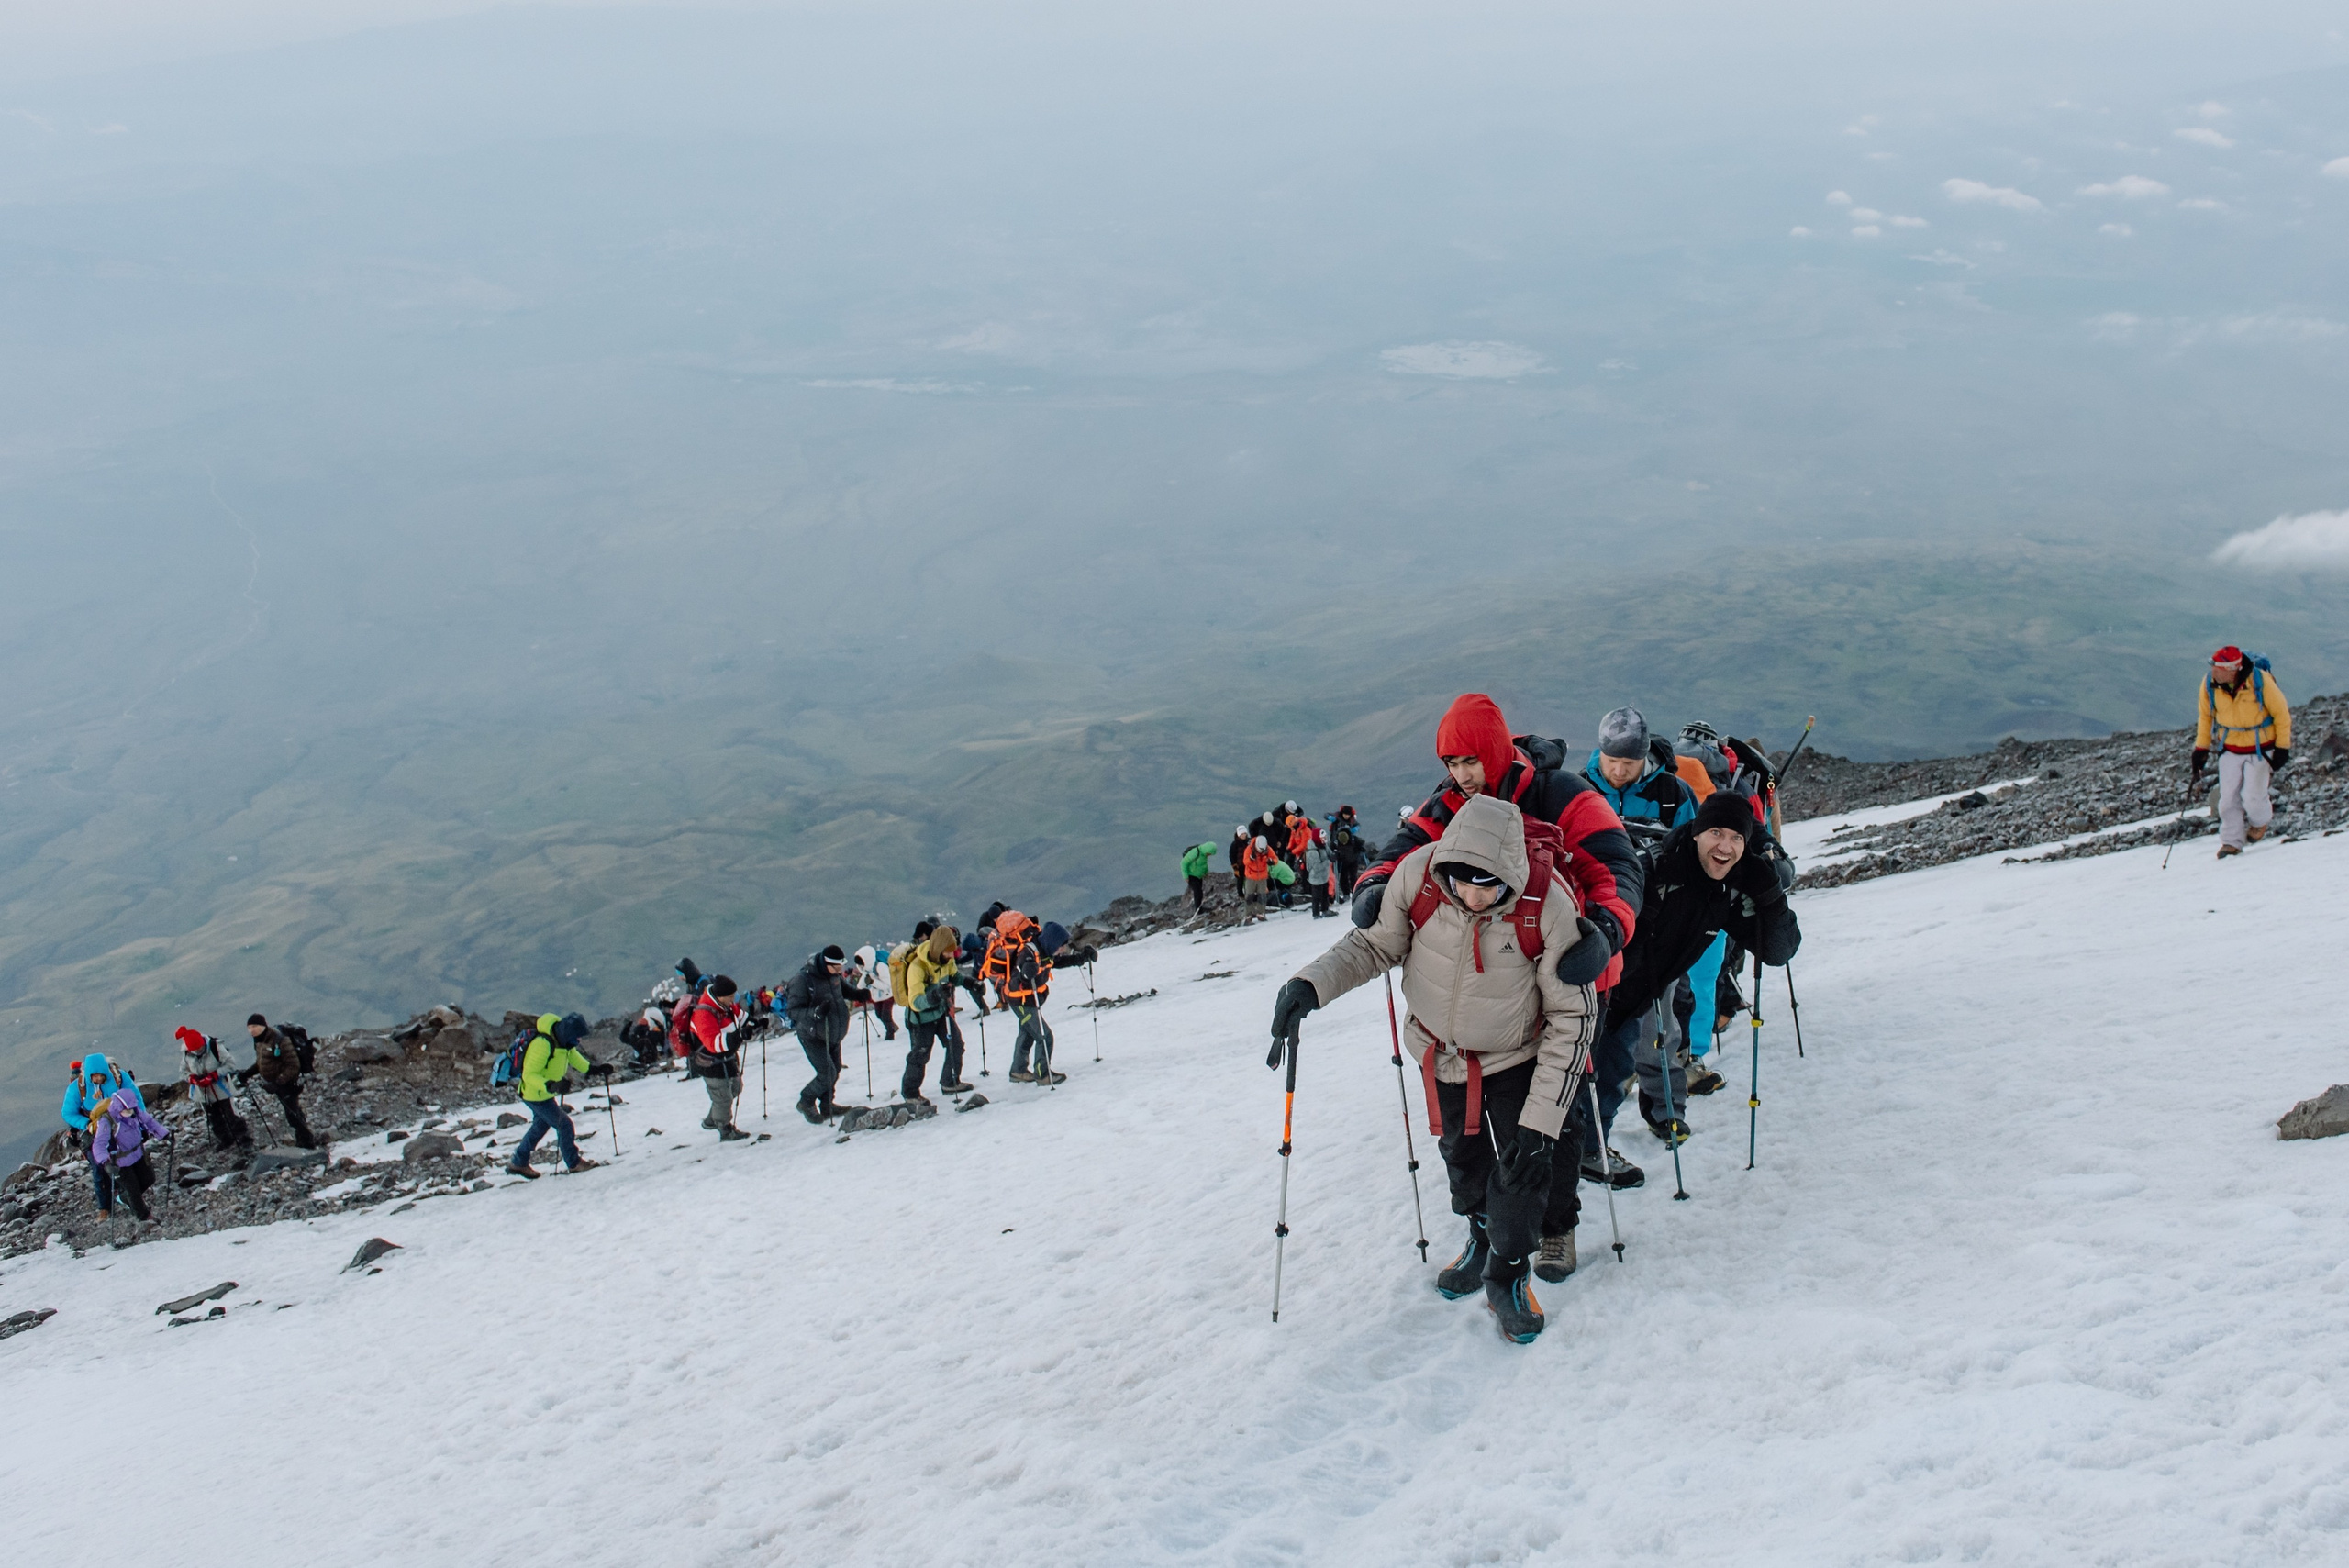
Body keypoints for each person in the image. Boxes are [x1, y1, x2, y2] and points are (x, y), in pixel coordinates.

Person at [1270, 795, 1598, 1343]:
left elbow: (1572, 1016)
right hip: (1440, 1051)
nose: (1472, 895)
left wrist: (1542, 1123)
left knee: (1522, 1169)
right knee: (1461, 1158)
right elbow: (1375, 946)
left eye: (1487, 885)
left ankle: (1507, 1275)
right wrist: (1309, 985)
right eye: (1462, 882)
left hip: (1519, 1054)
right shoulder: (1419, 879)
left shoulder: (1548, 905)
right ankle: (1480, 1234)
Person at [1354, 694, 1641, 994]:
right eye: (1451, 763)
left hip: (1574, 972)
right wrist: (1371, 886)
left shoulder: (1562, 794)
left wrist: (1607, 932)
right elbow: (1402, 849)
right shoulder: (1450, 803)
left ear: (1493, 750)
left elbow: (1618, 867)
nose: (1461, 775)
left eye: (1470, 761)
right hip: (1501, 987)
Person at [1586, 792, 1801, 1160]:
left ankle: (1647, 1123)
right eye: (1716, 832)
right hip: (1609, 983)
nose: (1726, 846)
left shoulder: (1732, 886)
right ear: (1698, 832)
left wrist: (1769, 894)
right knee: (1605, 1068)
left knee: (1657, 1045)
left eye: (1737, 837)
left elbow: (1777, 951)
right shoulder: (1656, 868)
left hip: (1656, 983)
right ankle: (1587, 1154)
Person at [1583, 706, 1718, 1134]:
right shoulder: (1580, 790)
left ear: (1645, 756)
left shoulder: (1674, 794)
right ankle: (1589, 1125)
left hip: (1656, 927)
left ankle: (1666, 1110)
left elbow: (1695, 857)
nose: (1619, 771)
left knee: (1659, 1024)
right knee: (1599, 1029)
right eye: (1612, 761)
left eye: (1629, 762)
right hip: (1597, 925)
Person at [2194, 645, 2291, 858]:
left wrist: (2282, 748)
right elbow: (2205, 717)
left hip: (2260, 749)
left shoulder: (2260, 681)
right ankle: (2231, 842)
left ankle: (2260, 822)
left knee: (2253, 797)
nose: (2214, 672)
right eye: (2213, 666)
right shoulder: (2210, 685)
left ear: (2234, 668)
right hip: (2229, 748)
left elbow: (2281, 714)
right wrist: (2200, 749)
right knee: (2227, 799)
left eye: (2220, 667)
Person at [507, 1012, 605, 1174]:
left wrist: (593, 1069)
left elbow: (574, 1057)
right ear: (569, 1033)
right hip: (534, 1094)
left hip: (543, 1093)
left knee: (540, 1125)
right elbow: (529, 1075)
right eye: (578, 1036)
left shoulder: (564, 1042)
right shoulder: (542, 1044)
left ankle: (518, 1162)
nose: (579, 1040)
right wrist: (551, 1085)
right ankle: (574, 1163)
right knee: (564, 1125)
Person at [983, 912, 1065, 1085]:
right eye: (1061, 946)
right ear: (1052, 942)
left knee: (1027, 1033)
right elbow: (1020, 971)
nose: (1062, 950)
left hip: (1027, 1000)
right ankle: (1043, 1075)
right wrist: (1026, 972)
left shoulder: (1043, 950)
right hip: (1020, 1001)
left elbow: (1057, 962)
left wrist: (1082, 958)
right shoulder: (1028, 952)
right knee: (1044, 1036)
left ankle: (1018, 1071)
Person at [901, 925, 979, 1101]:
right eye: (948, 952)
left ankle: (950, 1082)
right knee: (920, 1055)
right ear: (938, 950)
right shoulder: (918, 967)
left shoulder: (946, 960)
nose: (952, 956)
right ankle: (910, 1093)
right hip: (920, 1019)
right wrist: (935, 996)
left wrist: (971, 983)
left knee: (956, 1044)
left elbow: (955, 977)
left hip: (940, 1013)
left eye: (953, 951)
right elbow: (915, 1002)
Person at [61, 1053, 146, 1215]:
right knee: (98, 1166)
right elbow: (68, 1112)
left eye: (100, 1075)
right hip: (94, 1128)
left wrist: (141, 1122)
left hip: (122, 1123)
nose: (97, 1079)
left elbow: (136, 1099)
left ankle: (127, 1195)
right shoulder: (77, 1088)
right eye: (94, 1076)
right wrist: (85, 1124)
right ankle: (105, 1207)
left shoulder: (120, 1078)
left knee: (129, 1159)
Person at [785, 946, 855, 1122]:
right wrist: (814, 1013)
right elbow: (793, 1011)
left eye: (841, 967)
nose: (839, 971)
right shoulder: (802, 980)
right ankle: (806, 1101)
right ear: (825, 963)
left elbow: (843, 991)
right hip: (812, 1035)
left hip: (832, 1033)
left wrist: (859, 994)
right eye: (836, 967)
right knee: (827, 1073)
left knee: (835, 1069)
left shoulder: (833, 975)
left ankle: (827, 1105)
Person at [677, 978, 751, 1140]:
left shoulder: (724, 1005)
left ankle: (711, 1120)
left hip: (726, 1059)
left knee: (735, 1088)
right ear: (720, 996)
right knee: (723, 1098)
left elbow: (740, 1016)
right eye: (730, 997)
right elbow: (714, 1044)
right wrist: (738, 1036)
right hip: (710, 1063)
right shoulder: (703, 1014)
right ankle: (725, 1129)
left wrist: (755, 1023)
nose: (734, 1000)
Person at [88, 1084, 172, 1223]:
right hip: (120, 1163)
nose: (130, 1111)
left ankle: (123, 1198)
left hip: (138, 1154)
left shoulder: (134, 1112)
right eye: (127, 1109)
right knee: (133, 1190)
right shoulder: (107, 1121)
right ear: (119, 1107)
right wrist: (105, 1162)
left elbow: (149, 1122)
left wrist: (164, 1135)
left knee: (148, 1179)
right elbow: (98, 1145)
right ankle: (144, 1217)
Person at [238, 1014, 317, 1150]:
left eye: (255, 1026)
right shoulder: (259, 1041)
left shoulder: (280, 1040)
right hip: (278, 1084)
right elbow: (262, 1063)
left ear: (263, 1026)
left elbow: (293, 1065)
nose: (252, 1030)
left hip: (288, 1083)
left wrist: (278, 1082)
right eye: (249, 1027)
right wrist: (247, 1073)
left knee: (292, 1114)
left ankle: (308, 1143)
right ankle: (304, 1139)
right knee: (293, 1111)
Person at [176, 1027, 251, 1153]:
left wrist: (215, 1075)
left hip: (221, 1088)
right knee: (213, 1117)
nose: (197, 1050)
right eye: (194, 1049)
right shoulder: (186, 1053)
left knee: (231, 1114)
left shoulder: (215, 1047)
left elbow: (230, 1064)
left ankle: (245, 1140)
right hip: (203, 1092)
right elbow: (183, 1072)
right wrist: (193, 1079)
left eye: (199, 1047)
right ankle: (225, 1139)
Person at [851, 946, 899, 1040]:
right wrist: (858, 990)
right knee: (879, 1014)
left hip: (888, 994)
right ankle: (892, 1026)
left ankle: (890, 1034)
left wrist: (872, 982)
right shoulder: (867, 968)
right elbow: (863, 980)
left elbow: (888, 985)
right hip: (877, 995)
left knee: (885, 1015)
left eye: (861, 964)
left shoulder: (880, 966)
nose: (860, 967)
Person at [1181, 840, 1220, 913]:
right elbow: (1183, 863)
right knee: (1197, 892)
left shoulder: (1204, 854)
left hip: (1199, 876)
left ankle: (1200, 909)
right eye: (1210, 853)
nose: (1209, 855)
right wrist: (1185, 876)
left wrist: (1205, 873)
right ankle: (1198, 911)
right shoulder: (1196, 852)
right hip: (1192, 875)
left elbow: (1203, 865)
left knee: (1200, 892)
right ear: (1207, 850)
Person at [1241, 834, 1276, 916]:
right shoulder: (1249, 849)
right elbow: (1245, 862)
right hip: (1251, 876)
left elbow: (1275, 859)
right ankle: (1248, 915)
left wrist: (1272, 861)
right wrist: (1251, 858)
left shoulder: (1268, 849)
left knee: (1262, 896)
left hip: (1262, 876)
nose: (1261, 851)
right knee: (1249, 896)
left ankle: (1261, 913)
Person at [1303, 832, 1334, 917]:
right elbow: (1316, 867)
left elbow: (1329, 853)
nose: (1324, 839)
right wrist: (1329, 860)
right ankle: (1316, 914)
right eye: (1322, 837)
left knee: (1325, 894)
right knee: (1316, 897)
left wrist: (1333, 855)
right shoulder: (1313, 851)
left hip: (1324, 875)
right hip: (1316, 878)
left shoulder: (1323, 845)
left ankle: (1325, 910)